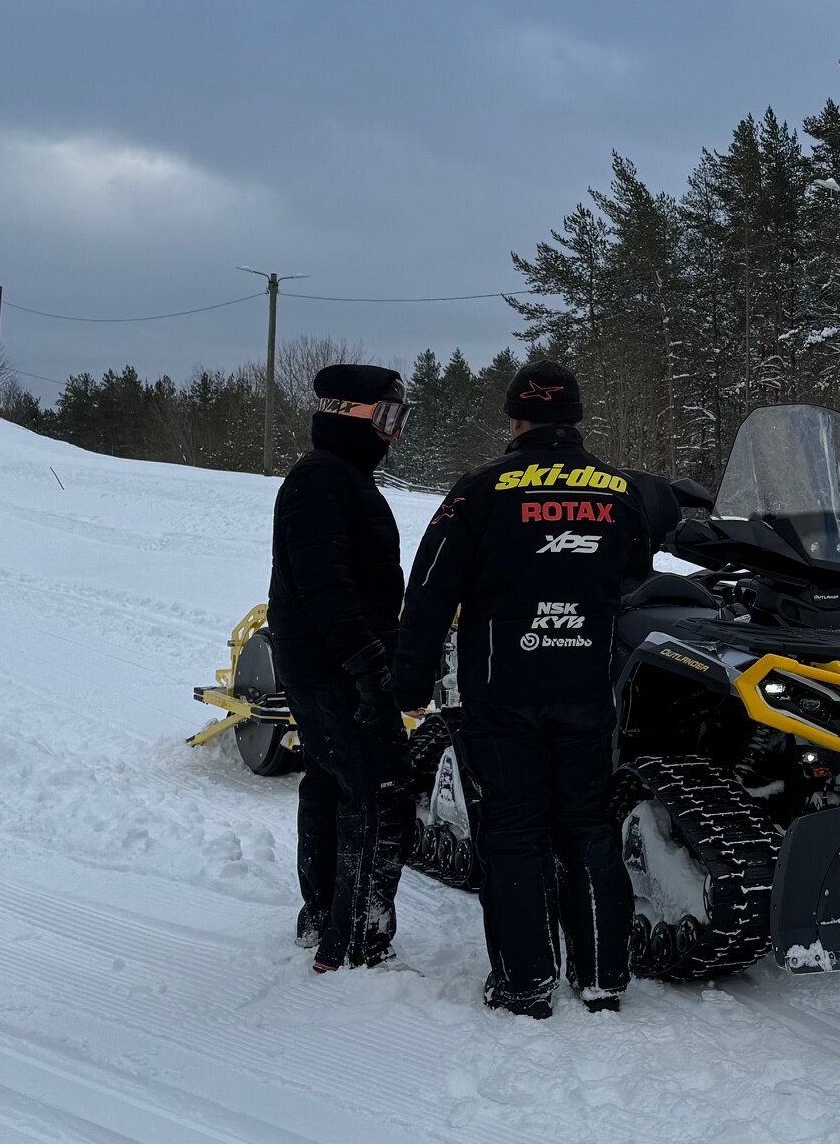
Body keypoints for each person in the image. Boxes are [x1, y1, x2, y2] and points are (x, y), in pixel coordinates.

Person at [393, 361, 652, 1017]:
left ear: (515, 420)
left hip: (501, 688)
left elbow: (428, 596)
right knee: (587, 827)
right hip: (587, 688)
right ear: (576, 419)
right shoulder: (620, 493)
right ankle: (601, 977)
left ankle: (526, 982)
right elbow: (634, 581)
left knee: (513, 830)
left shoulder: (479, 491)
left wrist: (409, 686)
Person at [266, 361, 412, 972]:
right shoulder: (323, 480)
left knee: (331, 782)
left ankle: (325, 918)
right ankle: (353, 940)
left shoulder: (338, 477)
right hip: (334, 668)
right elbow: (324, 583)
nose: (393, 431)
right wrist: (367, 663)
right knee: (378, 793)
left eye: (399, 417)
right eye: (386, 416)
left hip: (328, 663)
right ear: (348, 415)